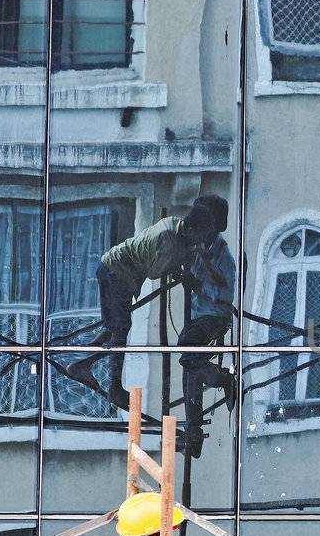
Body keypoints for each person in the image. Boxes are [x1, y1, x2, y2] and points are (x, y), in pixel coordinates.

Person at [67, 197, 226, 410]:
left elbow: (182, 253)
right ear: (190, 229)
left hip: (120, 274)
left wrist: (191, 258)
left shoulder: (176, 226)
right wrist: (182, 273)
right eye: (200, 235)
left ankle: (82, 363)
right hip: (116, 273)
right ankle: (114, 387)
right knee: (120, 329)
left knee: (114, 327)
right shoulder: (168, 240)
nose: (201, 241)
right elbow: (155, 272)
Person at [177, 196, 236, 458]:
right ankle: (194, 432)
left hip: (214, 316)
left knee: (187, 354)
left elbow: (224, 294)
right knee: (190, 370)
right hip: (199, 315)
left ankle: (222, 378)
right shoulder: (200, 248)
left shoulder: (225, 258)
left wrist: (197, 285)